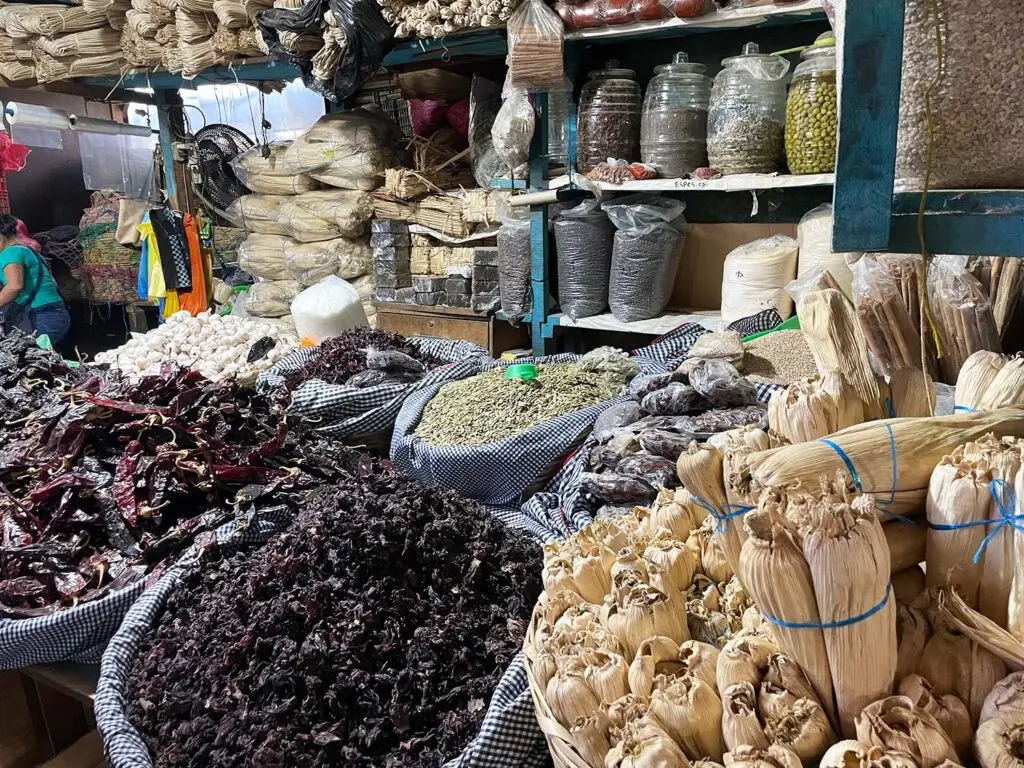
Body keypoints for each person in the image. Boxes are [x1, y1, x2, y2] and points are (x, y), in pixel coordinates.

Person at [0, 214, 70, 344]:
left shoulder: (9, 252)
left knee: (33, 359)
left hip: (39, 316)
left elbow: (14, 286)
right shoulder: (29, 250)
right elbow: (52, 283)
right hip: (54, 313)